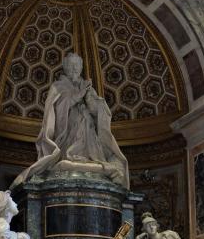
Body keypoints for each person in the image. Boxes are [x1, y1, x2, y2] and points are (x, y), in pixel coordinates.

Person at [10, 52, 129, 189]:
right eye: (71, 65)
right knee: (69, 149)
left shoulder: (87, 86)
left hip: (88, 132)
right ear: (65, 66)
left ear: (81, 67)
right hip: (67, 132)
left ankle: (89, 158)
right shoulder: (58, 86)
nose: (75, 68)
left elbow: (98, 113)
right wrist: (78, 95)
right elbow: (57, 110)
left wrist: (91, 100)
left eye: (77, 65)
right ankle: (69, 156)